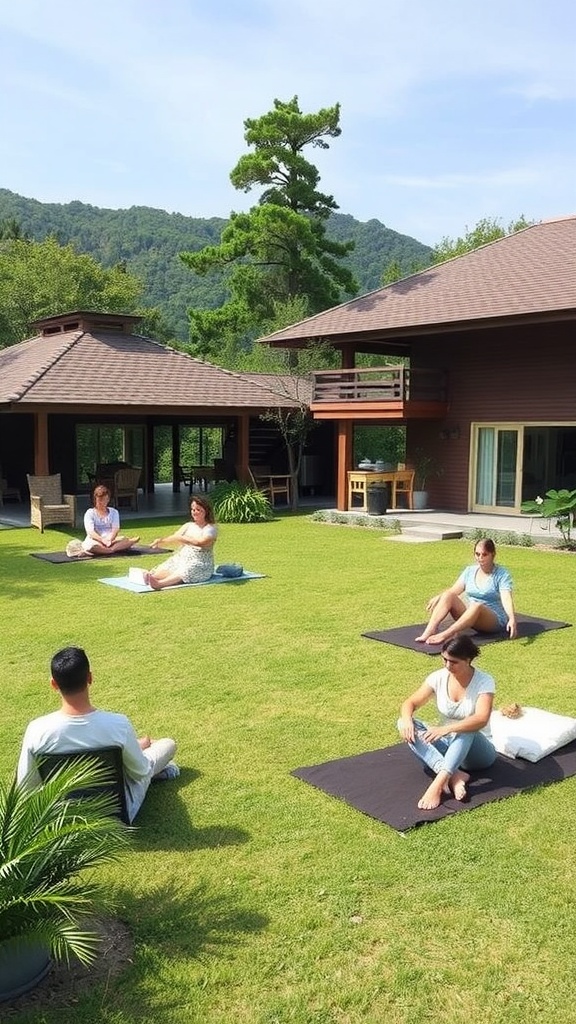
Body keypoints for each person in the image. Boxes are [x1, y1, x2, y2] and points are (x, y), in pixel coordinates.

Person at [17, 647, 179, 823]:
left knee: (137, 757)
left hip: (63, 822)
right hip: (116, 816)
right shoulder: (117, 725)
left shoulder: (37, 730)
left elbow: (26, 788)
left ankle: (138, 752)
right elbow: (141, 772)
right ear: (90, 678)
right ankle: (160, 765)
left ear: (53, 684)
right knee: (167, 744)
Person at [398, 635, 497, 810]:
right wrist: (406, 720)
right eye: (444, 659)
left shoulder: (484, 681)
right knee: (403, 723)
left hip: (478, 753)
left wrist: (446, 729)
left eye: (454, 662)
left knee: (467, 727)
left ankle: (437, 785)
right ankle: (455, 775)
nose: (447, 665)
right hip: (448, 745)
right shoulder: (438, 677)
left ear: (468, 660)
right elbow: (410, 703)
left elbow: (481, 719)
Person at [415, 537, 517, 644]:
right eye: (477, 554)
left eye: (484, 554)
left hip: (493, 620)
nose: (480, 558)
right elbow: (454, 591)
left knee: (476, 605)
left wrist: (512, 618)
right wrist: (439, 597)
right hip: (470, 615)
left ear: (493, 554)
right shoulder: (470, 571)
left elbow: (506, 598)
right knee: (448, 595)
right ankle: (430, 630)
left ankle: (446, 634)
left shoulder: (501, 574)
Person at [144, 495, 217, 590]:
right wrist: (161, 541)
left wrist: (183, 538)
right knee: (161, 570)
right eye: (193, 510)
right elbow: (175, 537)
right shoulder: (188, 525)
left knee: (186, 570)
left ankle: (160, 584)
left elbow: (200, 543)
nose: (195, 512)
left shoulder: (210, 529)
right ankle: (153, 578)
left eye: (198, 510)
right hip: (182, 558)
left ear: (206, 511)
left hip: (200, 562)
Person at [80, 484, 140, 556]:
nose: (102, 503)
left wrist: (109, 539)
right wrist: (102, 540)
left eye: (105, 500)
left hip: (111, 540)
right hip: (96, 540)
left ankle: (109, 549)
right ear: (95, 499)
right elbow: (90, 532)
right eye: (100, 500)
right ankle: (110, 550)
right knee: (92, 546)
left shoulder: (114, 512)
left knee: (124, 539)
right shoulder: (90, 513)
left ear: (108, 499)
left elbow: (115, 529)